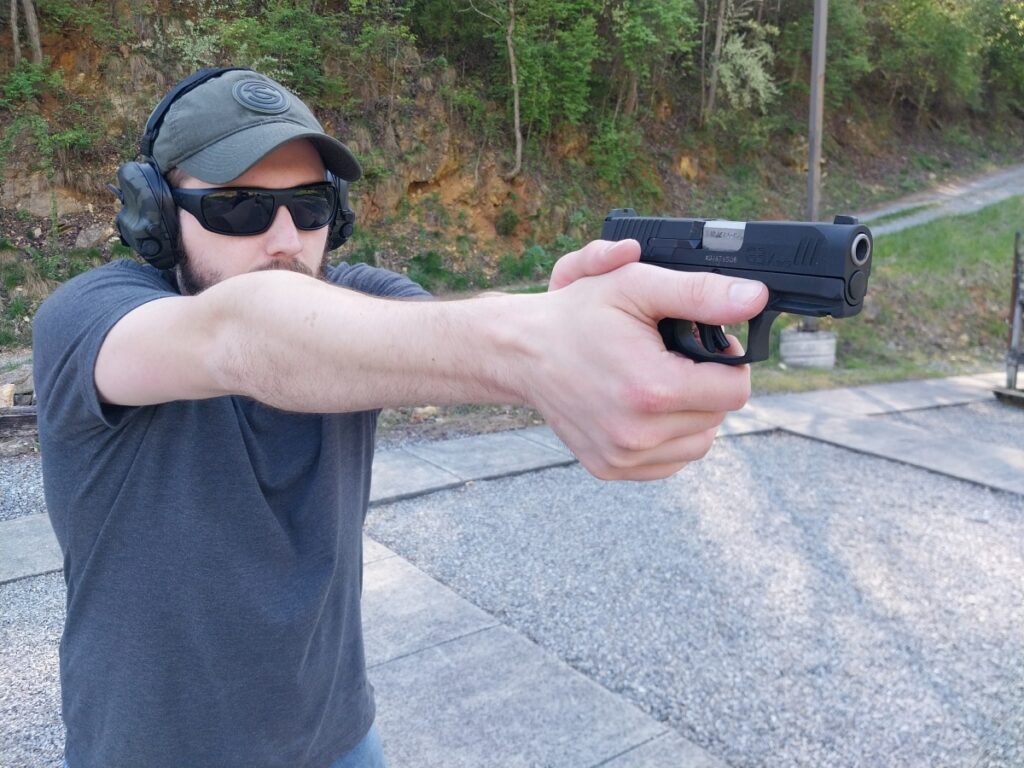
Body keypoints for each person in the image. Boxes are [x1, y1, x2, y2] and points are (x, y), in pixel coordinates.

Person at [32, 67, 767, 768]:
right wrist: (533, 345)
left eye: (311, 206)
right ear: (156, 214)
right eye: (238, 207)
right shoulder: (90, 318)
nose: (286, 239)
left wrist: (571, 322)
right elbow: (241, 336)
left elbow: (444, 336)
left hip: (340, 736)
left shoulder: (357, 295)